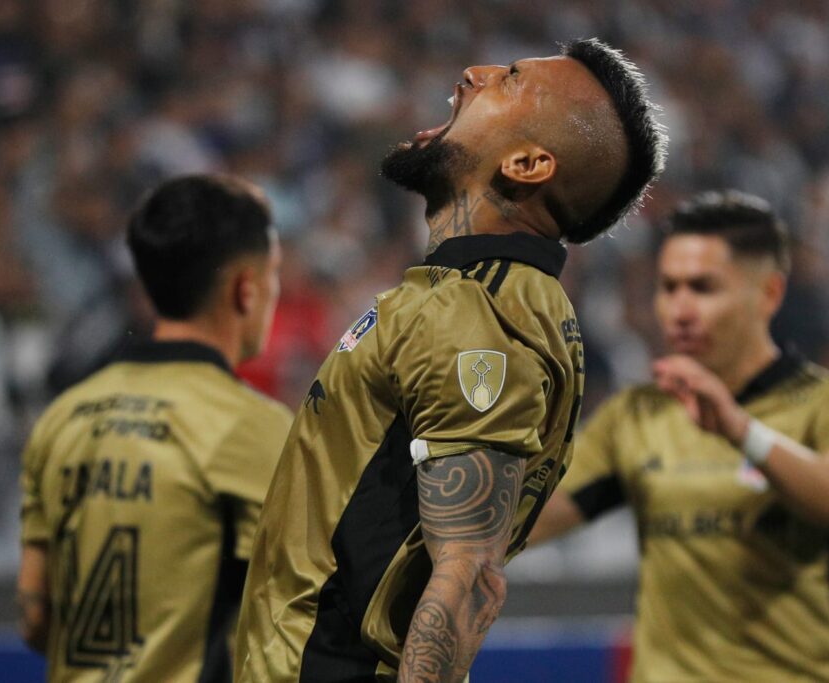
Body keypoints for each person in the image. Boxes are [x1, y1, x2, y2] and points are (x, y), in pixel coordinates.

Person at [234, 38, 666, 682]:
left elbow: (470, 577)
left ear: (525, 163)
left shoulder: (482, 315)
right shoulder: (468, 296)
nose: (474, 74)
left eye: (510, 80)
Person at [530, 190, 829, 683]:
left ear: (768, 294)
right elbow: (522, 523)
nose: (678, 310)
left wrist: (742, 432)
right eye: (668, 287)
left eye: (702, 288)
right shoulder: (636, 417)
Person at [16, 174, 295, 682]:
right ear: (245, 288)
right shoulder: (258, 430)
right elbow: (292, 620)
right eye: (273, 274)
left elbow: (36, 616)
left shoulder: (62, 419)